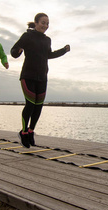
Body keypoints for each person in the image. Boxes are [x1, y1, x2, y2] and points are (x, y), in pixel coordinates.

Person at [11, 13, 70, 147]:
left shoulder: (47, 40)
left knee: (38, 106)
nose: (45, 25)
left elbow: (49, 55)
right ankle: (24, 132)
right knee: (30, 105)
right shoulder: (27, 36)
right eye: (43, 22)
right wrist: (18, 51)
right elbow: (13, 51)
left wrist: (63, 51)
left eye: (47, 23)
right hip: (28, 76)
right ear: (36, 23)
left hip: (42, 77)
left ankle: (31, 131)